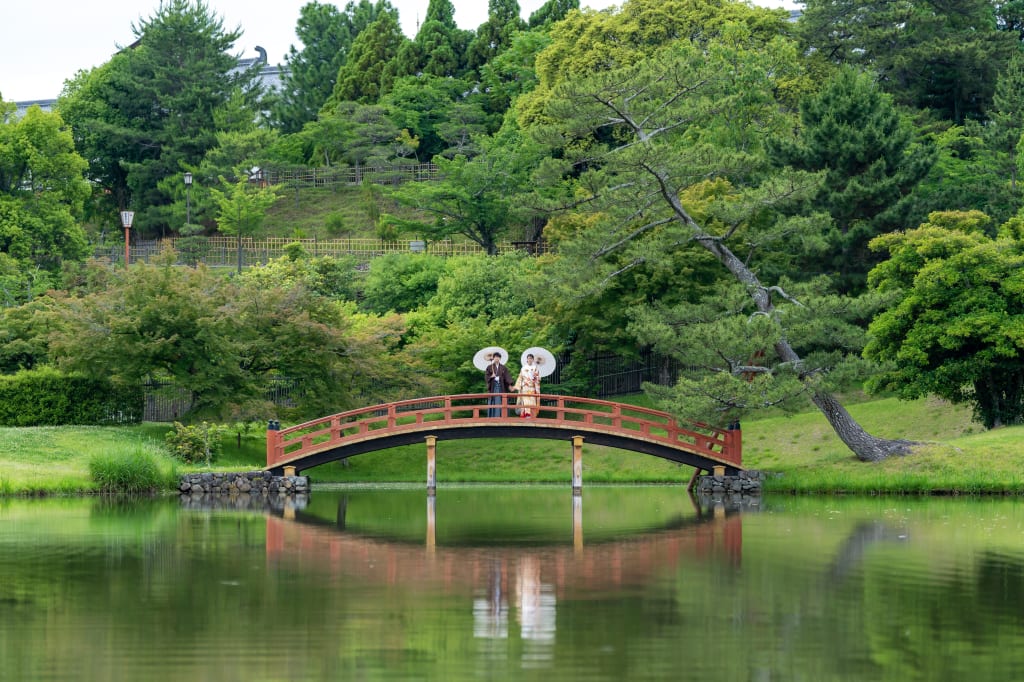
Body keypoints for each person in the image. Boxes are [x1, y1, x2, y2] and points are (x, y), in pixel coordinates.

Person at [484, 352, 514, 417]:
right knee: (493, 400)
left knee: (501, 400)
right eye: (495, 357)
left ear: (500, 358)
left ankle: (501, 416)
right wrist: (491, 376)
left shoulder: (503, 368)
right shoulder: (489, 367)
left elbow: (507, 377)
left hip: (501, 386)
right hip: (493, 387)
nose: (496, 358)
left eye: (498, 357)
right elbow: (486, 377)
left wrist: (510, 384)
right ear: (493, 358)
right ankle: (493, 416)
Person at [514, 353, 540, 418]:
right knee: (525, 401)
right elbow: (520, 377)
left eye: (531, 358)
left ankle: (532, 415)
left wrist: (535, 377)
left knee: (532, 401)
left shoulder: (535, 368)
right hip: (525, 387)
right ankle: (525, 415)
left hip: (532, 387)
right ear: (527, 359)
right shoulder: (523, 368)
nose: (530, 359)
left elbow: (538, 378)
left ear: (533, 360)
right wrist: (518, 386)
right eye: (528, 358)